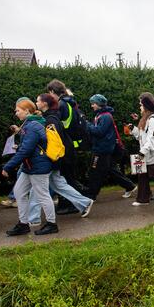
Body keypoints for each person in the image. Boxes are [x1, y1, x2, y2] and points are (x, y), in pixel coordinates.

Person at [2, 98, 58, 236]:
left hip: (38, 167)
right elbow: (28, 146)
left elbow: (26, 149)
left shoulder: (32, 126)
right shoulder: (30, 124)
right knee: (19, 191)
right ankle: (23, 224)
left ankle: (52, 224)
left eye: (18, 110)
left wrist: (8, 166)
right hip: (31, 166)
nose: (16, 113)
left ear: (27, 111)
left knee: (43, 195)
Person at [35, 94, 93, 217]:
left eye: (38, 101)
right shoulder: (53, 116)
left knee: (38, 187)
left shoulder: (50, 120)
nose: (36, 103)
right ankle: (85, 202)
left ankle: (32, 218)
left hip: (56, 157)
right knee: (59, 185)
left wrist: (52, 159)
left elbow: (55, 143)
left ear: (44, 104)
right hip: (62, 155)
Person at [84, 94, 137, 200]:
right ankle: (130, 186)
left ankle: (91, 196)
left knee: (95, 172)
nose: (92, 106)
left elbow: (99, 132)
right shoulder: (102, 115)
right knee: (111, 169)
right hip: (104, 148)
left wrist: (87, 124)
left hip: (101, 149)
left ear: (99, 104)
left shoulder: (105, 116)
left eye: (93, 103)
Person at [46, 80, 87, 212]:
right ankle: (74, 202)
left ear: (52, 91)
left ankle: (73, 204)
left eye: (49, 92)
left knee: (67, 177)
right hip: (71, 144)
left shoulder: (61, 105)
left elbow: (56, 123)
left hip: (65, 145)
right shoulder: (70, 103)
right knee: (68, 176)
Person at [128, 93, 154, 206]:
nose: (139, 107)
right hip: (146, 153)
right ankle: (143, 199)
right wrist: (133, 129)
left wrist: (142, 152)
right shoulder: (145, 118)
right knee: (142, 175)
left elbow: (152, 139)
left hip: (152, 154)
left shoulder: (153, 119)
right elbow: (141, 136)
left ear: (146, 107)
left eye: (141, 105)